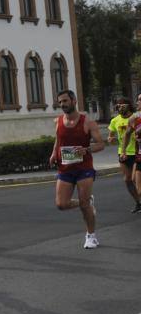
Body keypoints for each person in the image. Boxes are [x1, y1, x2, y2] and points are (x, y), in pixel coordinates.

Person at [50, 89, 104, 248]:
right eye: (60, 102)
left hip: (84, 168)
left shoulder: (88, 122)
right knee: (61, 204)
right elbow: (58, 139)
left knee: (84, 204)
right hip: (65, 168)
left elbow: (101, 144)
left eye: (65, 101)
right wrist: (53, 154)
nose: (62, 105)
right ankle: (87, 201)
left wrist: (86, 149)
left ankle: (91, 236)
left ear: (74, 101)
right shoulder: (58, 121)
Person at [109, 97, 141, 212]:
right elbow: (112, 134)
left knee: (134, 179)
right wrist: (111, 139)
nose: (120, 107)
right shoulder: (115, 120)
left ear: (128, 105)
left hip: (136, 152)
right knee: (127, 179)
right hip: (123, 152)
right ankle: (138, 202)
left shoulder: (135, 116)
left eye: (122, 105)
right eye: (118, 105)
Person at [123, 93, 141, 214]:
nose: (138, 102)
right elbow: (127, 134)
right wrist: (123, 150)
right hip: (139, 155)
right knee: (137, 187)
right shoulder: (134, 118)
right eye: (138, 100)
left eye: (140, 100)